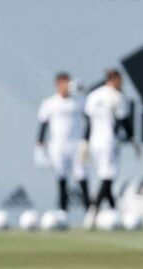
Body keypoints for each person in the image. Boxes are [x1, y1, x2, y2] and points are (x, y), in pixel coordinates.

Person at [81, 68, 141, 228]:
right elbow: (123, 122)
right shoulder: (117, 97)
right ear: (113, 79)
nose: (121, 83)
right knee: (108, 176)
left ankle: (113, 210)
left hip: (94, 141)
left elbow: (88, 121)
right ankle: (93, 210)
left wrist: (85, 141)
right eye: (120, 80)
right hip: (109, 141)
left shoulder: (93, 95)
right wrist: (133, 138)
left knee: (104, 175)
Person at [36, 72, 90, 212]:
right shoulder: (49, 103)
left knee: (82, 176)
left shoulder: (80, 100)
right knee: (61, 178)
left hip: (77, 145)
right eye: (64, 83)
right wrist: (39, 147)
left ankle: (89, 212)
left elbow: (91, 117)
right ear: (58, 84)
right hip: (58, 146)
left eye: (69, 83)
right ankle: (62, 211)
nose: (67, 86)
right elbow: (43, 125)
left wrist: (86, 141)